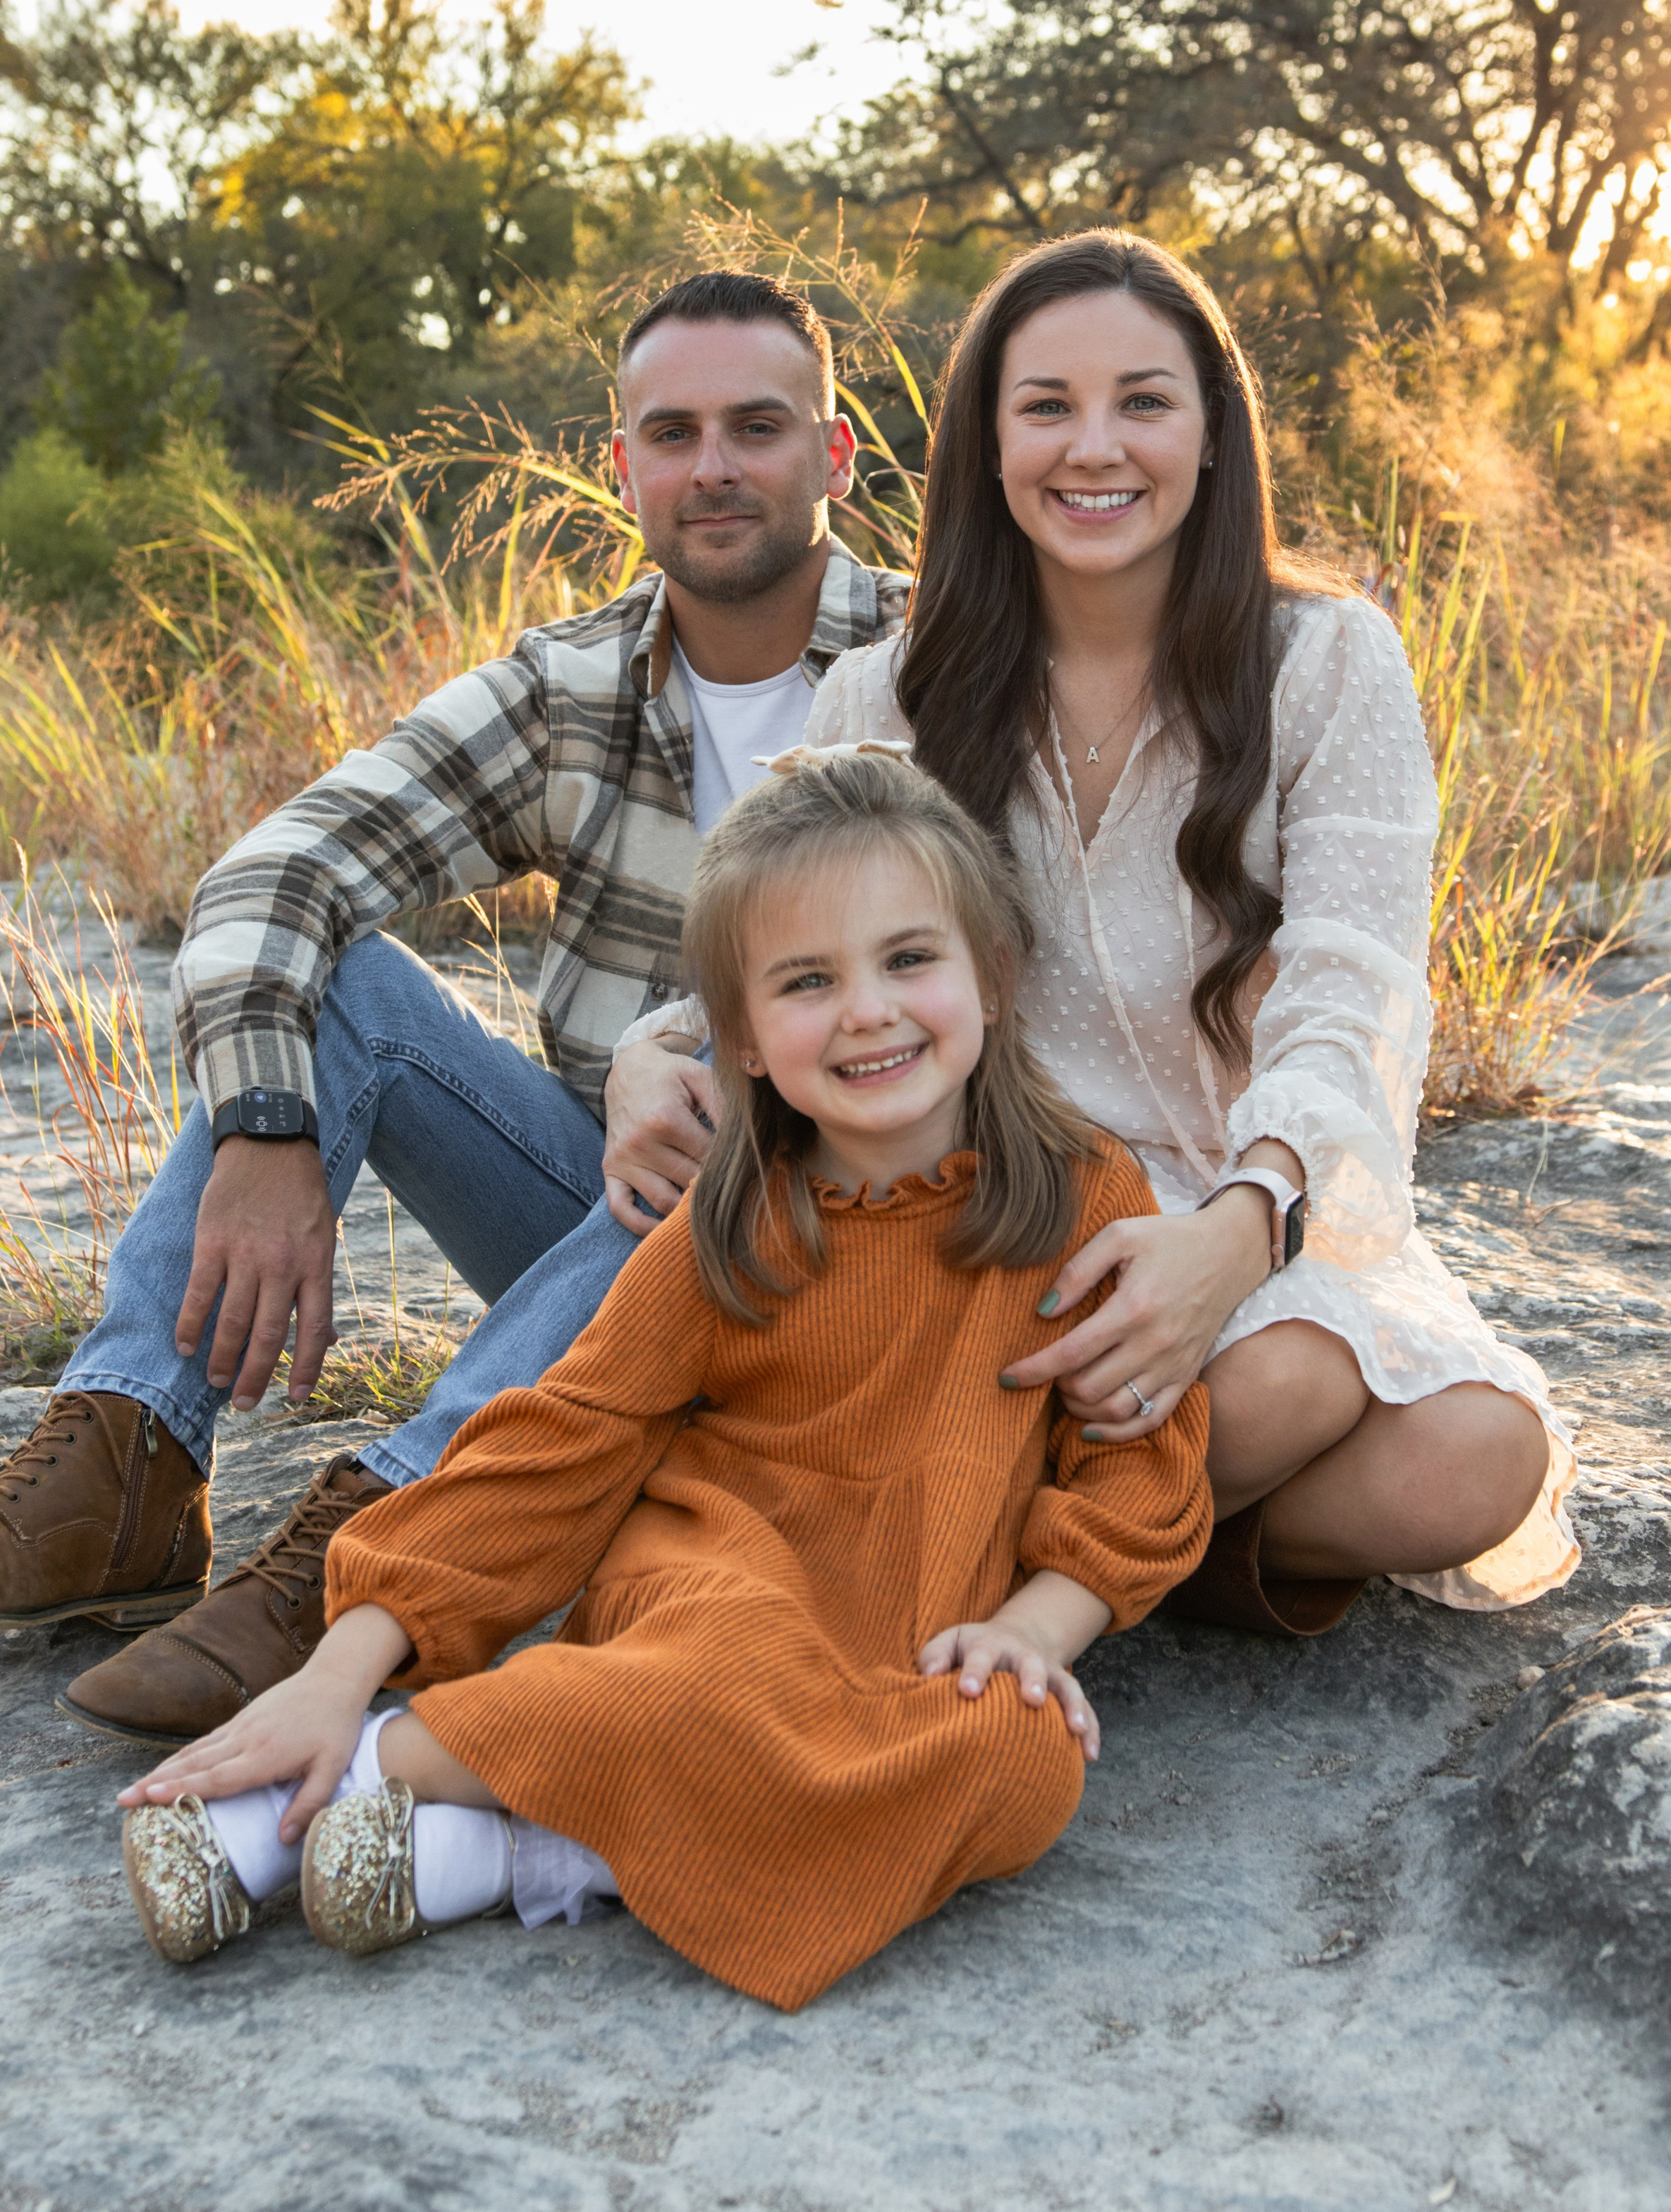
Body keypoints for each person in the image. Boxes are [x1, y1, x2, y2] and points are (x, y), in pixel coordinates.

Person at [114, 749, 1211, 2011]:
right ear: (740, 1038)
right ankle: (339, 1778)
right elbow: (556, 1449)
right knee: (715, 1686)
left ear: (995, 977)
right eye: (807, 981)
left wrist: (1034, 1632)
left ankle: (507, 1843)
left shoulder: (1088, 1200)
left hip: (919, 1637)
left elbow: (1141, 1456)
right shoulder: (725, 1228)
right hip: (720, 1591)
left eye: (910, 959)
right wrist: (337, 1671)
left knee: (1024, 1755)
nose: (867, 1012)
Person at [0, 271, 907, 1744]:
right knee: (347, 987)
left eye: (757, 427)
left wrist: (682, 1066)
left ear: (835, 451)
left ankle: (388, 1537)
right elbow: (277, 873)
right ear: (622, 465)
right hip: (606, 1233)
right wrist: (268, 1130)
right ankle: (124, 1466)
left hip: (850, 1259)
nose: (713, 468)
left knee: (729, 1138)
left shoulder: (938, 667)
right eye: (671, 434)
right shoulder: (574, 685)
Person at [629, 230, 1576, 1631]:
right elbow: (779, 950)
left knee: (1472, 1458)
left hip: (1256, 1194)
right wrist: (651, 1053)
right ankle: (1069, 1541)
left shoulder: (1326, 662)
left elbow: (1353, 986)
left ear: (1211, 434)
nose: (1094, 447)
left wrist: (1246, 1225)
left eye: (1143, 401)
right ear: (988, 442)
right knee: (1286, 1391)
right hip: (998, 1212)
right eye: (1046, 406)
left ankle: (1037, 1541)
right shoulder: (884, 696)